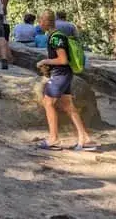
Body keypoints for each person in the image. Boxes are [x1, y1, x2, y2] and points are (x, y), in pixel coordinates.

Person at [35, 10, 97, 151]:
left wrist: (45, 61)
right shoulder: (57, 35)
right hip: (64, 74)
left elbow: (62, 59)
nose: (39, 24)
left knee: (48, 102)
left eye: (40, 21)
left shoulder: (55, 38)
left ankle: (53, 138)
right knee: (69, 106)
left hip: (60, 75)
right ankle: (85, 138)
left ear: (45, 22)